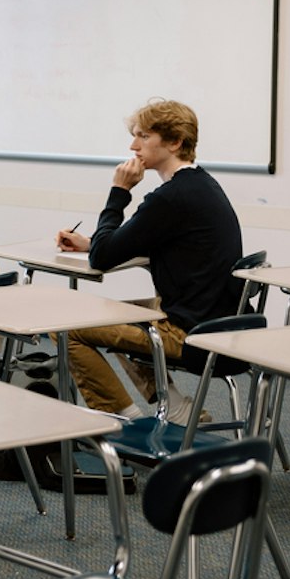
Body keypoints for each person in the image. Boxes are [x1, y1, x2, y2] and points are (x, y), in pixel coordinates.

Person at [56, 100, 242, 422]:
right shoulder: (200, 185)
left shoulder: (170, 198)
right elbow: (138, 243)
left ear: (174, 142)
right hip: (217, 321)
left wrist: (119, 191)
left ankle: (126, 423)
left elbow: (102, 259)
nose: (133, 145)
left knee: (64, 330)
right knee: (119, 312)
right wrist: (91, 242)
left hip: (187, 331)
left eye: (143, 136)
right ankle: (177, 408)